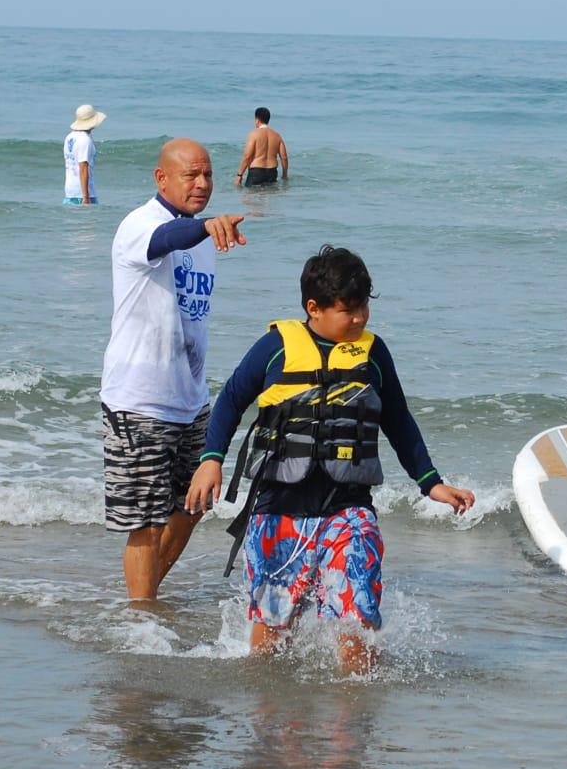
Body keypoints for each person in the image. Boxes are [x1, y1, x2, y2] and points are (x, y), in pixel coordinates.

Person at [186, 245, 475, 674]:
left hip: (348, 508)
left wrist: (430, 481)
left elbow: (398, 418)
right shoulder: (274, 347)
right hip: (278, 510)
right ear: (314, 308)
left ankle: (353, 721)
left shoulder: (373, 354)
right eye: (348, 310)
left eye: (363, 308)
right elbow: (230, 401)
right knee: (269, 646)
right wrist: (212, 459)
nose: (359, 318)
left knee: (358, 626)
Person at [100, 138, 248, 601]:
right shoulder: (139, 226)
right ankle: (141, 618)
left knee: (194, 503)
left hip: (190, 399)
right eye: (191, 175)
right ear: (161, 178)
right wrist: (204, 226)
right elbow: (167, 240)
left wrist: (203, 228)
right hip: (139, 400)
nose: (202, 183)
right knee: (145, 521)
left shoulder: (202, 237)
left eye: (208, 174)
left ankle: (143, 599)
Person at [234, 107, 288, 186]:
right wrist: (284, 174)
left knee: (250, 196)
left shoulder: (253, 134)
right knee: (268, 195)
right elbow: (284, 157)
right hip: (272, 172)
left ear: (257, 120)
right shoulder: (277, 136)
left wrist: (239, 175)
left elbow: (247, 156)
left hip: (256, 172)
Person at [65, 104, 105, 205]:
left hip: (70, 192)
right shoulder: (85, 140)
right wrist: (86, 198)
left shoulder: (70, 137)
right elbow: (83, 167)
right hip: (83, 195)